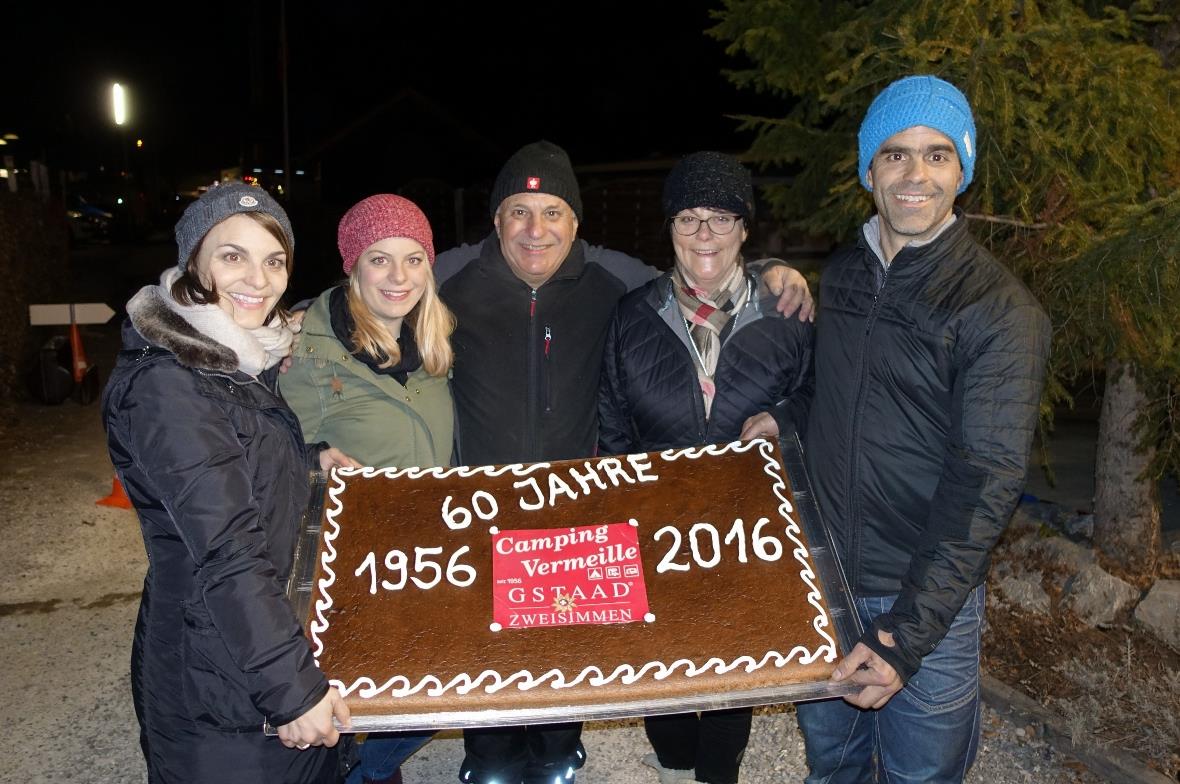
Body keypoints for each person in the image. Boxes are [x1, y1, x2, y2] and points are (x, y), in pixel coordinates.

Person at [437, 141, 815, 784]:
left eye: (552, 211)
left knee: (584, 646)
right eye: (519, 212)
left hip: (616, 510)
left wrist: (779, 269)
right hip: (488, 506)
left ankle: (563, 747)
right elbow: (373, 283)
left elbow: (724, 281)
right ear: (495, 219)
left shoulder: (612, 280)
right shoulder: (450, 279)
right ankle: (493, 755)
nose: (536, 229)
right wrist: (306, 318)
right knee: (495, 646)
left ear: (575, 222)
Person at [798, 75, 1051, 783]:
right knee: (833, 766)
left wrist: (902, 639)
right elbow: (828, 395)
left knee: (920, 776)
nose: (916, 175)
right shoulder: (843, 275)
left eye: (938, 155)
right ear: (868, 170)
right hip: (825, 585)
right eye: (896, 155)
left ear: (961, 171)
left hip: (923, 602)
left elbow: (986, 483)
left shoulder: (998, 308)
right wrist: (777, 420)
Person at [101, 182, 357, 783]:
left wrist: (307, 460)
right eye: (232, 255)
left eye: (274, 260)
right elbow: (226, 549)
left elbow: (233, 464)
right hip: (219, 680)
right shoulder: (169, 384)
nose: (258, 279)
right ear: (194, 262)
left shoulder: (233, 359)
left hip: (240, 649)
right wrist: (292, 689)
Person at [598, 151, 814, 784]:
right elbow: (612, 423)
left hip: (748, 528)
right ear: (669, 228)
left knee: (731, 662)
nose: (703, 236)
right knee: (663, 658)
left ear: (745, 228)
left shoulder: (787, 316)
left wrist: (787, 418)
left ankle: (719, 771)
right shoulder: (634, 317)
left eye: (720, 218)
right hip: (654, 524)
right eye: (688, 218)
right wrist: (619, 513)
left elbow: (818, 396)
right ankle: (671, 756)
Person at [280, 193, 456, 784]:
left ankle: (360, 762)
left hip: (432, 549)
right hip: (355, 560)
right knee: (377, 692)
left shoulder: (434, 340)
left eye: (413, 259)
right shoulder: (304, 348)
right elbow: (260, 441)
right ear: (353, 265)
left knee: (440, 683)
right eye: (379, 259)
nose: (398, 276)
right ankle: (359, 768)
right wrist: (313, 455)